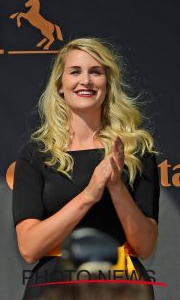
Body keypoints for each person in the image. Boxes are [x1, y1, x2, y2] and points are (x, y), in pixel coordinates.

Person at [12, 38, 159, 299]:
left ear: (107, 83)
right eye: (75, 71)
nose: (86, 81)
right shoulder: (37, 154)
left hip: (121, 286)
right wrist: (89, 195)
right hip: (53, 288)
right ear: (60, 85)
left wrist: (115, 186)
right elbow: (29, 248)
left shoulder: (136, 151)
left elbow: (145, 246)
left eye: (96, 72)